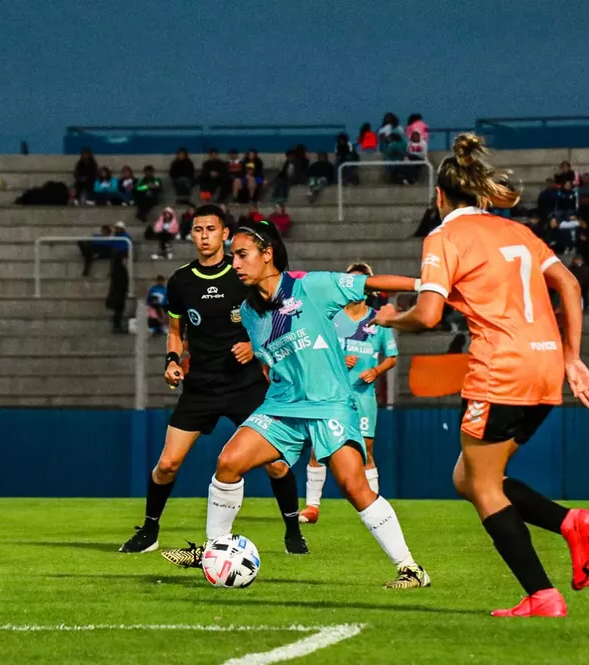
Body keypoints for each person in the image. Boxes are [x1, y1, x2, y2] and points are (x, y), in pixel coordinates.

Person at [373, 133, 589, 617]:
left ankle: (543, 595)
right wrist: (572, 356)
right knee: (470, 477)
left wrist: (392, 318)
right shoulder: (516, 230)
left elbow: (429, 315)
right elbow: (568, 283)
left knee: (482, 487)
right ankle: (571, 523)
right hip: (545, 366)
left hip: (501, 368)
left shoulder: (444, 237)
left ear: (439, 196)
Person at [160, 218, 431, 589]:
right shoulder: (250, 311)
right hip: (282, 406)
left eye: (242, 255)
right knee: (228, 462)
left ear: (267, 254)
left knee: (354, 486)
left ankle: (411, 568)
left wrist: (427, 287)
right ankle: (213, 550)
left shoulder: (311, 286)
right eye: (233, 256)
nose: (234, 263)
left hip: (329, 403)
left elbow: (370, 283)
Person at [120, 206, 309, 557]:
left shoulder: (244, 273)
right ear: (191, 234)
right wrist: (172, 360)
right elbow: (175, 331)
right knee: (167, 464)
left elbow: (277, 320)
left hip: (246, 385)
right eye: (198, 229)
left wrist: (254, 347)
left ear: (225, 234)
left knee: (276, 462)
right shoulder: (181, 281)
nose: (204, 235)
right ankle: (149, 531)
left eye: (211, 229)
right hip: (201, 387)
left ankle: (293, 532)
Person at [299, 262, 399, 525]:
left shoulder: (379, 320)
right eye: (351, 282)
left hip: (363, 396)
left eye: (361, 283)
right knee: (319, 447)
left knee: (366, 450)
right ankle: (312, 506)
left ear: (369, 288)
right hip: (332, 395)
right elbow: (314, 353)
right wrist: (338, 361)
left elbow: (392, 357)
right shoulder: (331, 317)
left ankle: (375, 505)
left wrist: (376, 371)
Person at [105, 254, 129, 333]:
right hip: (118, 294)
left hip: (118, 293)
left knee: (118, 311)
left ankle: (117, 327)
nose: (125, 261)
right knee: (118, 311)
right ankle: (117, 327)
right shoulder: (119, 270)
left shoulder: (117, 269)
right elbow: (121, 283)